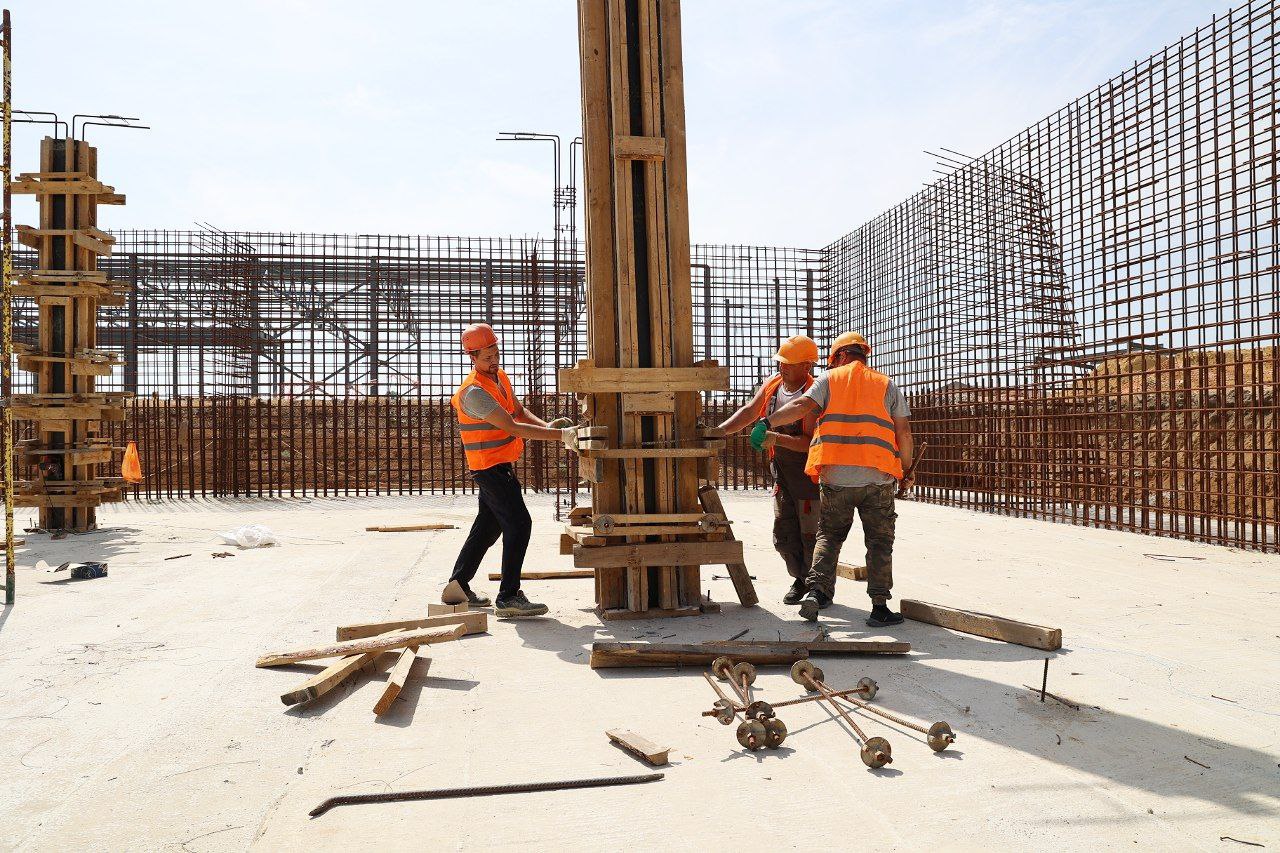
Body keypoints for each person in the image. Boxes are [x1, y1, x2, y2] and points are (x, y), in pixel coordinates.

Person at [754, 332, 915, 625]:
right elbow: (903, 433)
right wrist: (905, 470)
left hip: (835, 477)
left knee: (829, 535)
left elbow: (801, 407)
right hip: (877, 479)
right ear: (864, 354)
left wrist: (768, 421)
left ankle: (816, 592)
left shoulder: (828, 381)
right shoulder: (886, 384)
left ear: (839, 356)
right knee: (879, 542)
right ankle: (880, 608)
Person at [448, 323, 578, 618]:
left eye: (495, 354)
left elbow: (518, 412)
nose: (494, 362)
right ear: (472, 357)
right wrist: (562, 438)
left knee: (488, 526)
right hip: (489, 467)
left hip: (498, 464)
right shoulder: (473, 393)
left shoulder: (500, 378)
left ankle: (456, 586)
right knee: (519, 524)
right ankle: (508, 596)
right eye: (486, 358)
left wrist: (549, 427)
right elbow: (512, 426)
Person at [718, 335, 820, 604]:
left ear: (807, 366)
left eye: (789, 363)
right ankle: (800, 579)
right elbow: (750, 412)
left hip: (808, 474)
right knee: (785, 532)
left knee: (811, 532)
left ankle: (818, 587)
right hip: (781, 470)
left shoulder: (813, 393)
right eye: (781, 361)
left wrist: (776, 438)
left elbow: (809, 443)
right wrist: (720, 432)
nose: (782, 367)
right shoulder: (773, 384)